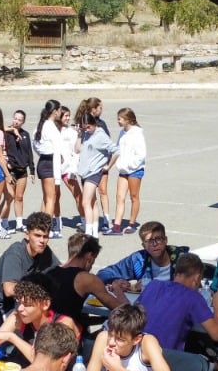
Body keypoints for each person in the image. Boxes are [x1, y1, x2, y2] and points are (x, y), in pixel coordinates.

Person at [0, 272, 78, 369]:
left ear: (45, 304)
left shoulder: (63, 324)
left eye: (27, 304)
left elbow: (44, 364)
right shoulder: (19, 317)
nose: (20, 308)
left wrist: (11, 337)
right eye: (19, 302)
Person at [136, 252, 218, 350]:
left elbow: (131, 313)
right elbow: (217, 335)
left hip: (136, 350)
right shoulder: (193, 297)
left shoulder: (153, 285)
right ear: (196, 277)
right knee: (210, 363)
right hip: (163, 357)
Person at [90, 303, 176, 371]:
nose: (111, 342)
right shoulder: (103, 338)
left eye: (120, 339)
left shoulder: (147, 343)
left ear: (136, 339)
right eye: (110, 335)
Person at [45, 233, 123, 327]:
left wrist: (103, 319)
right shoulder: (87, 279)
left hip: (47, 329)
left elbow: (63, 310)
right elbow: (121, 309)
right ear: (89, 257)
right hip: (66, 334)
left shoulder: (50, 272)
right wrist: (117, 289)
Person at [0, 211, 55, 312]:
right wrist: (39, 290)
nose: (42, 241)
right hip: (3, 308)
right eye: (37, 235)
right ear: (27, 234)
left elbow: (60, 270)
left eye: (45, 236)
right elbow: (9, 290)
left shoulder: (44, 250)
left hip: (25, 302)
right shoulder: (15, 254)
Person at [98, 220, 190, 288]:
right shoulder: (139, 259)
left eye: (158, 239)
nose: (154, 244)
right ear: (143, 245)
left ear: (165, 240)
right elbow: (103, 274)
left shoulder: (182, 259)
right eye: (149, 241)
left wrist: (153, 286)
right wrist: (116, 281)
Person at [76, 108, 116, 238]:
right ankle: (94, 231)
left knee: (85, 202)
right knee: (92, 202)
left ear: (93, 123)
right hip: (84, 171)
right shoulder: (86, 134)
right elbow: (77, 150)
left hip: (94, 172)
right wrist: (79, 135)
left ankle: (88, 232)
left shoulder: (101, 135)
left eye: (88, 127)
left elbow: (116, 150)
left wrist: (108, 166)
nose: (86, 129)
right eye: (84, 127)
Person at [109, 107, 146, 235]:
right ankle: (117, 225)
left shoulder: (137, 133)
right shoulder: (122, 132)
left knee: (134, 196)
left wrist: (131, 165)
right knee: (119, 197)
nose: (118, 121)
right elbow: (118, 149)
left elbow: (141, 154)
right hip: (123, 170)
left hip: (135, 170)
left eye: (120, 119)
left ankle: (131, 223)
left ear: (128, 120)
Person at [2, 109, 34, 233]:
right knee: (9, 197)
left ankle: (19, 223)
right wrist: (11, 130)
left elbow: (29, 152)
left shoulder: (25, 134)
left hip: (22, 170)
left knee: (19, 197)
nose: (16, 121)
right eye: (15, 118)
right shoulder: (7, 132)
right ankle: (3, 223)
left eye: (20, 120)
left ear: (23, 122)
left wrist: (32, 170)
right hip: (11, 170)